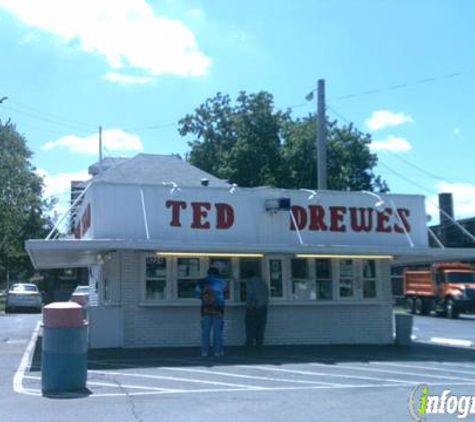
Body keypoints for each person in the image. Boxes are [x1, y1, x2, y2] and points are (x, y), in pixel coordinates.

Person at [195, 267, 228, 357]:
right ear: (217, 273)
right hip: (219, 309)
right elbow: (226, 295)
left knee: (205, 331)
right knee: (218, 331)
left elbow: (197, 295)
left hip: (205, 309)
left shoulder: (201, 282)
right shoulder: (223, 282)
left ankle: (204, 351)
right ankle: (218, 351)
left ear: (208, 273)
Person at [245, 270, 269, 350]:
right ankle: (259, 345)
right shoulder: (263, 282)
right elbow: (266, 295)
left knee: (250, 327)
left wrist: (249, 306)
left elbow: (250, 295)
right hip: (263, 307)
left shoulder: (250, 282)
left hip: (254, 308)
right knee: (260, 328)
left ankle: (249, 345)